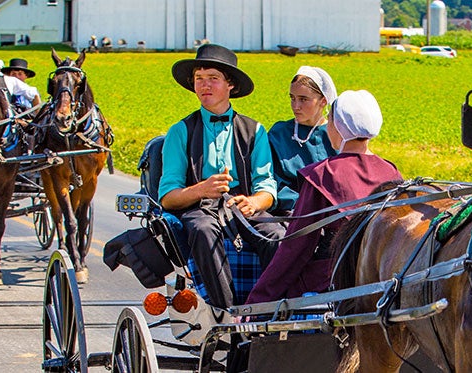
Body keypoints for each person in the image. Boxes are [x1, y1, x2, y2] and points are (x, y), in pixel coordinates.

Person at [247, 90, 403, 304]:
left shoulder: (323, 175)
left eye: (329, 119)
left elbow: (296, 247)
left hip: (335, 278)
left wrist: (258, 299)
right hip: (382, 278)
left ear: (337, 127)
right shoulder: (391, 172)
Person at [160, 44, 285, 309]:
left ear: (231, 85)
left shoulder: (255, 131)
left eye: (213, 79)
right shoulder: (179, 132)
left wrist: (254, 202)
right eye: (199, 79)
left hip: (243, 208)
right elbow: (168, 198)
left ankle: (268, 310)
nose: (204, 85)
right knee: (204, 231)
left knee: (276, 235)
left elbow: (267, 187)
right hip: (199, 208)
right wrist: (202, 189)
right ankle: (227, 312)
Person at [266, 66, 338, 216]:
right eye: (292, 98)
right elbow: (272, 180)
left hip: (333, 215)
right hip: (290, 215)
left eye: (303, 99)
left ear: (323, 101)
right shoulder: (279, 134)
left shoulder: (336, 134)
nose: (295, 106)